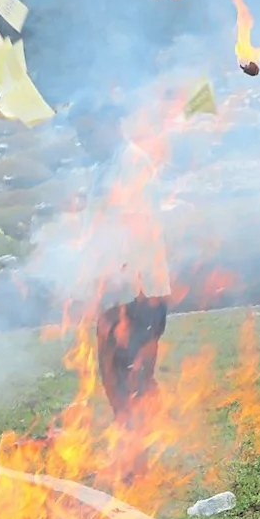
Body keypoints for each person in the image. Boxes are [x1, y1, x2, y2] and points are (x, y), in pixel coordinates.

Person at [68, 96, 171, 420]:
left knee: (132, 379)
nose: (84, 143)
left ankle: (140, 453)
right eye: (80, 136)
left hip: (138, 291)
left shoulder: (132, 162)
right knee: (113, 377)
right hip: (112, 292)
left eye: (89, 133)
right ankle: (133, 448)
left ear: (111, 125)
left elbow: (132, 227)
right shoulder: (103, 167)